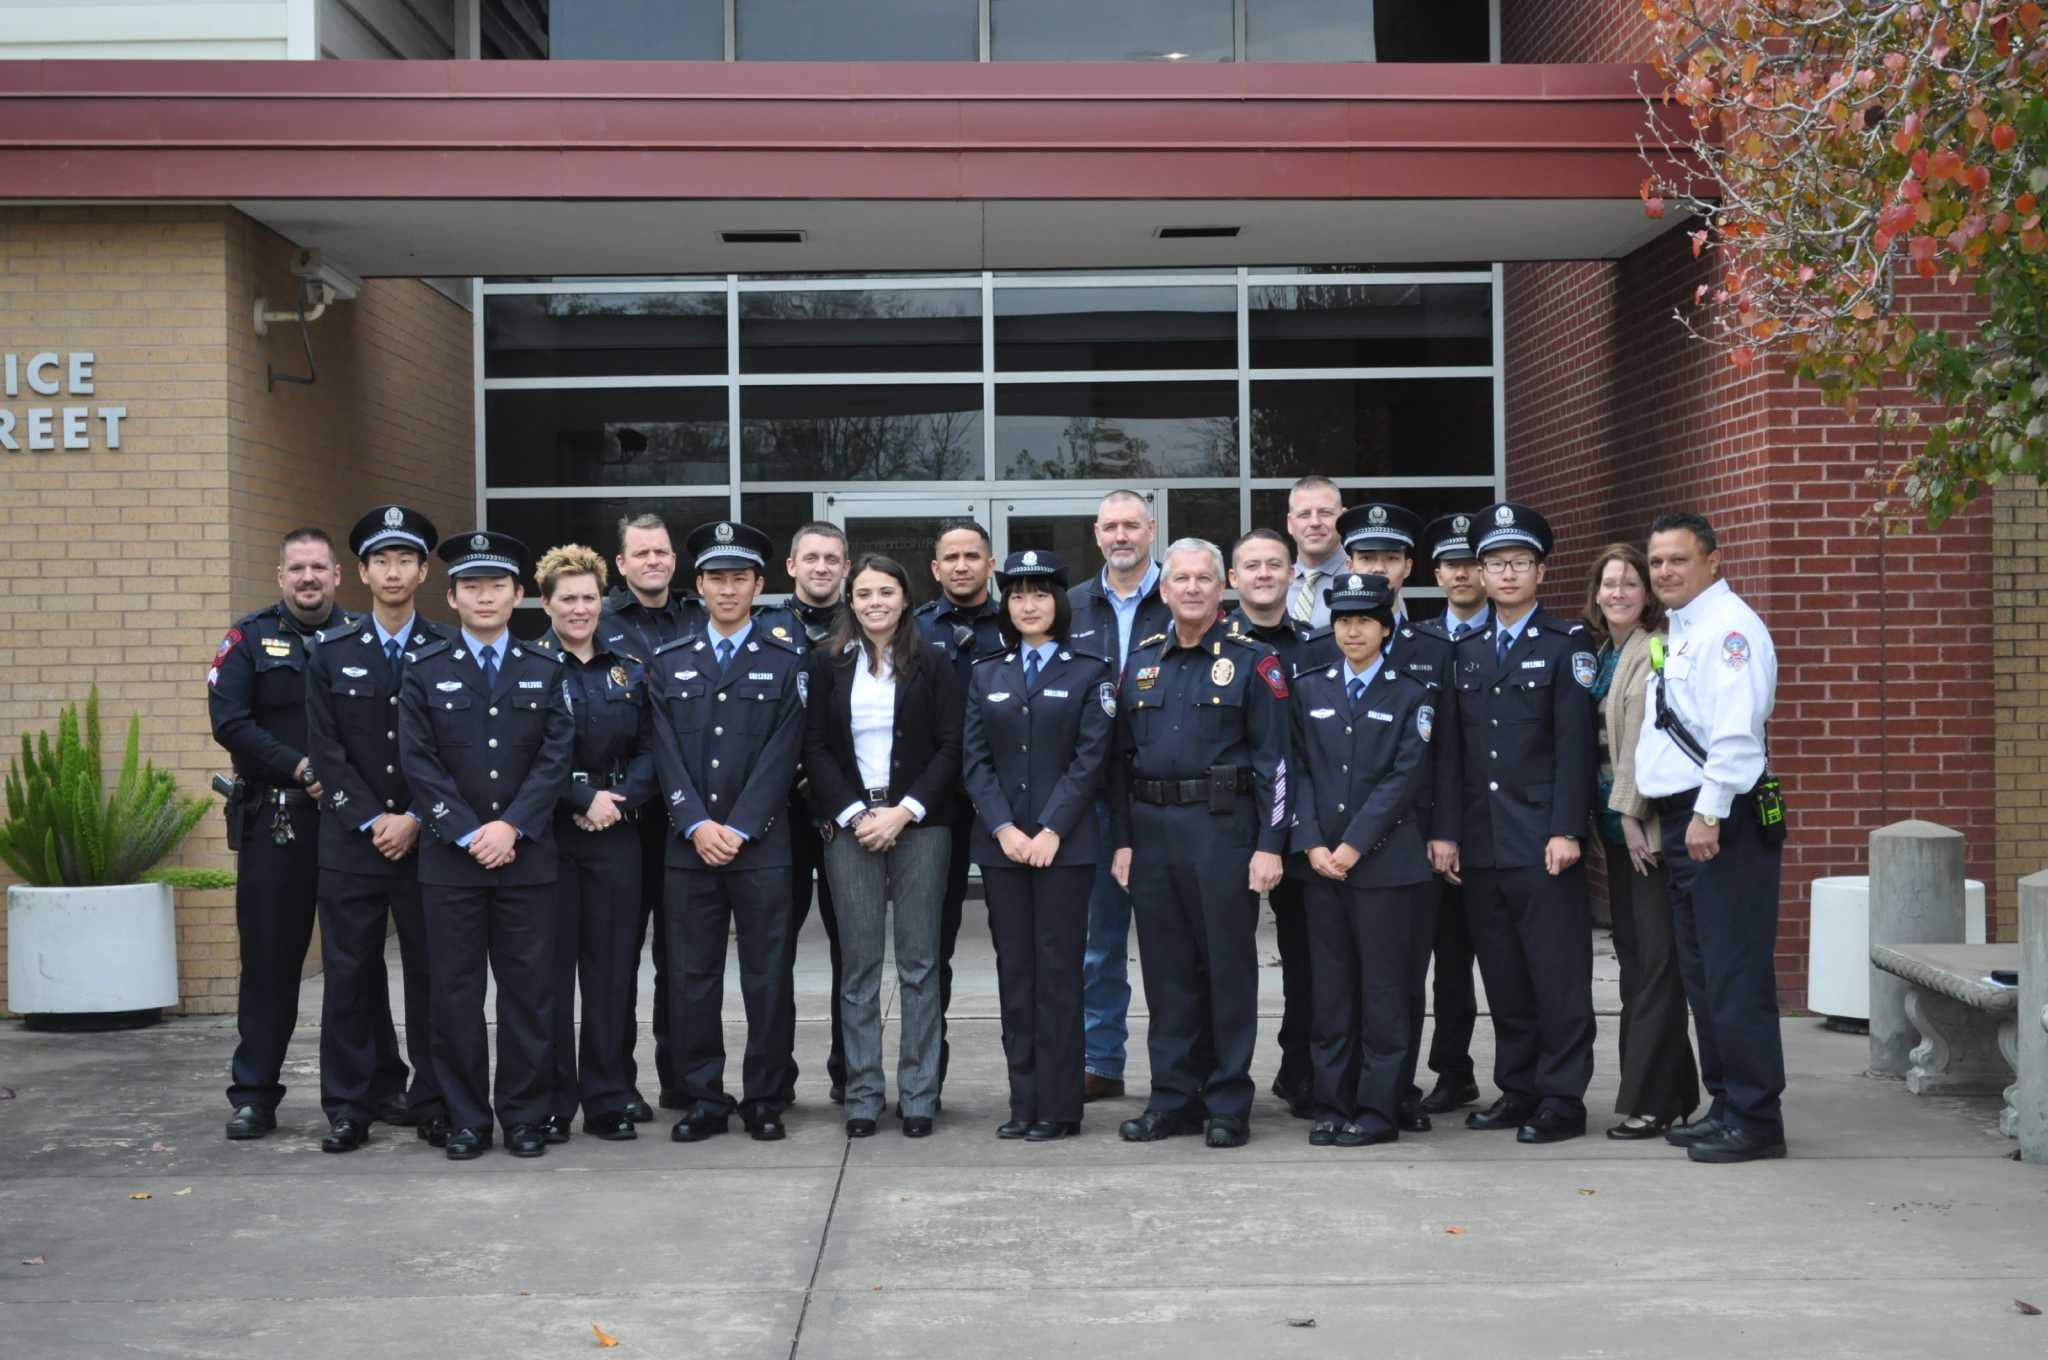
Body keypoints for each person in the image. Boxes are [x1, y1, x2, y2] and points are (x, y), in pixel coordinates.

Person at [210, 528, 400, 1140]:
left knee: (359, 961)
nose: (309, 578)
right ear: (281, 576)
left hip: (349, 823)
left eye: (319, 567)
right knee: (270, 961)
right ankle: (254, 1095)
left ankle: (381, 1086)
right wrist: (301, 768)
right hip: (280, 821)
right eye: (297, 568)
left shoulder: (362, 637)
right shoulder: (248, 639)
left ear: (339, 576)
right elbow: (229, 721)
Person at [398, 530, 574, 1160]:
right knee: (455, 997)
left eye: (496, 585)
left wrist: (512, 826)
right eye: (471, 586)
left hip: (527, 860)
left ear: (517, 594)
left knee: (529, 996)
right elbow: (418, 762)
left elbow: (556, 758)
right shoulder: (424, 669)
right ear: (452, 598)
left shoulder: (544, 668)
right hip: (452, 863)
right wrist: (470, 831)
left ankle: (524, 1116)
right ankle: (466, 1118)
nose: (484, 596)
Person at [1109, 538, 1290, 1149]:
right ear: (1163, 590)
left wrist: (1270, 844)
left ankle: (1227, 1103)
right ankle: (1172, 1100)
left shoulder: (1253, 661)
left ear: (1223, 587)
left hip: (1223, 833)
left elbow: (1276, 762)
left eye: (1203, 579)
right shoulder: (1141, 661)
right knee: (1166, 974)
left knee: (1226, 970)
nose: (1191, 588)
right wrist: (1123, 841)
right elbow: (1119, 762)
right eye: (1180, 579)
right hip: (1152, 834)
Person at [1439, 502, 1598, 1145]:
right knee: (1503, 977)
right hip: (1482, 843)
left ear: (1541, 572)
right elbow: (1451, 754)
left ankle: (1562, 1098)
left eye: (1520, 563)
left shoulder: (1566, 644)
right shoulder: (1466, 650)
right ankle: (1519, 1087)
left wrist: (1567, 829)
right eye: (1497, 563)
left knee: (1556, 977)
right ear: (1480, 572)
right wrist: (1448, 832)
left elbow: (1575, 747)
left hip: (1542, 840)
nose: (1508, 574)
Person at [1633, 512, 1786, 1164]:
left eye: (1679, 559)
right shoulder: (1686, 627)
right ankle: (1726, 1103)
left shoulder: (1730, 629)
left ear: (1713, 561)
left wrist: (1710, 812)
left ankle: (1756, 1118)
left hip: (1721, 820)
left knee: (1734, 972)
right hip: (1687, 817)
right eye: (1657, 561)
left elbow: (1735, 732)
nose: (1664, 571)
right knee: (1704, 974)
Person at [650, 520, 807, 1144]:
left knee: (768, 977)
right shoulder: (670, 662)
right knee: (692, 977)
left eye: (739, 578)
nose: (727, 589)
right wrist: (695, 822)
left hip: (761, 846)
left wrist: (739, 827)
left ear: (759, 586)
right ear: (699, 585)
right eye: (716, 579)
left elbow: (783, 754)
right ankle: (703, 1098)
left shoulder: (785, 662)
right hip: (689, 848)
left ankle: (766, 1096)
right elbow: (663, 751)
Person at [303, 507, 450, 1153]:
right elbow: (326, 748)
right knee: (350, 977)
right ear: (361, 573)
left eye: (405, 560)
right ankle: (349, 1105)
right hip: (351, 841)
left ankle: (435, 1099)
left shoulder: (446, 648)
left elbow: (454, 749)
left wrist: (415, 815)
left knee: (433, 975)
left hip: (429, 841)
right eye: (381, 561)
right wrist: (372, 818)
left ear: (423, 572)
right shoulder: (330, 652)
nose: (393, 572)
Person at [802, 555, 963, 1139]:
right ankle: (863, 1095)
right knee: (859, 967)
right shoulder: (827, 661)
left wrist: (904, 811)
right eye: (865, 593)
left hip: (920, 823)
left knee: (920, 965)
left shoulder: (934, 661)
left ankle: (919, 1094)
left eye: (886, 592)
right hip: (851, 826)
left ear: (906, 598)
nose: (875, 602)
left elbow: (952, 746)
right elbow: (814, 747)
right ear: (851, 600)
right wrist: (854, 813)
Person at [961, 550, 1114, 1141]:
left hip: (1064, 850)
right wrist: (1004, 828)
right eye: (1018, 594)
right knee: (1015, 975)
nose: (1028, 604)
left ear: (1060, 603)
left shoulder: (1090, 671)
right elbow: (975, 761)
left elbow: (1091, 760)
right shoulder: (986, 672)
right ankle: (1023, 1102)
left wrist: (1051, 829)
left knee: (1058, 975)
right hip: (1003, 849)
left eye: (1041, 593)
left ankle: (1059, 1107)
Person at [1287, 572, 1435, 1147]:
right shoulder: (1309, 689)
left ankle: (1378, 1109)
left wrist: (1352, 847)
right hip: (1321, 866)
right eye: (1344, 621)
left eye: (1364, 621)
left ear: (1385, 628)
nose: (1353, 631)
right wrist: (1311, 843)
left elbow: (1404, 779)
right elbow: (1296, 771)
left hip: (1384, 867)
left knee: (1384, 994)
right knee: (1331, 992)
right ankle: (1332, 1104)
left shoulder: (1410, 693)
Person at [1337, 500, 1458, 1135]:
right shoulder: (1328, 642)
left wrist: (1444, 830)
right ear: (1348, 564)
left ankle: (1397, 1089)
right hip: (1338, 844)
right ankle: (1350, 1090)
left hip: (1412, 839)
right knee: (1344, 979)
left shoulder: (1434, 647)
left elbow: (1448, 752)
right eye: (1365, 558)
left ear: (1409, 566)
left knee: (1403, 977)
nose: (1377, 568)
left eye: (1389, 558)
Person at [531, 544, 657, 1145]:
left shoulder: (628, 667)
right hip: (549, 836)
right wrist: (581, 799)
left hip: (616, 834)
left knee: (611, 973)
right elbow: (522, 755)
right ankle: (554, 1102)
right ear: (546, 603)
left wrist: (618, 802)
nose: (579, 609)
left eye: (589, 598)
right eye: (568, 599)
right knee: (550, 976)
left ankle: (609, 1098)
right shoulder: (529, 666)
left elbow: (654, 749)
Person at [1584, 541, 1699, 1140]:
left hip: (1645, 835)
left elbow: (1646, 739)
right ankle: (1675, 1091)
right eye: (1610, 583)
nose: (1619, 593)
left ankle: (1652, 1101)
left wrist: (1630, 816)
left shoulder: (1655, 648)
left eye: (1630, 582)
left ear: (1646, 593)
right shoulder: (1604, 653)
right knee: (1636, 962)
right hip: (1613, 836)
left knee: (1654, 967)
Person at [1225, 526, 1336, 1119]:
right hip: (1230, 825)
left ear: (1293, 575)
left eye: (1275, 564)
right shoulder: (1215, 647)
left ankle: (1303, 1073)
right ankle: (1219, 1080)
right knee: (1223, 958)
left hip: (1303, 828)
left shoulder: (1317, 647)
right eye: (1252, 565)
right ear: (1233, 579)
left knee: (1308, 958)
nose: (1264, 574)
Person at [602, 512, 705, 1121]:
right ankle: (617, 1084)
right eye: (640, 553)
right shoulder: (598, 622)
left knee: (681, 958)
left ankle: (681, 1080)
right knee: (616, 960)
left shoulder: (698, 617)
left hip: (684, 820)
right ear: (621, 563)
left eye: (661, 552)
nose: (653, 562)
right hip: (619, 821)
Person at [1069, 489, 1171, 1102]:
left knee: (1173, 944)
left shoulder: (1182, 595)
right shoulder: (1072, 605)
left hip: (1167, 795)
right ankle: (1100, 1062)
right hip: (1095, 799)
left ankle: (1180, 1069)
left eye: (1132, 524)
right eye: (1110, 526)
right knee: (1098, 943)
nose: (1121, 536)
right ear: (1096, 533)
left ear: (1151, 529)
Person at [912, 518, 1006, 1100]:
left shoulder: (1018, 620)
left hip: (1006, 806)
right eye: (951, 557)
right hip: (937, 806)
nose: (962, 565)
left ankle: (1032, 1078)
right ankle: (928, 1078)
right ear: (936, 568)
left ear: (991, 564)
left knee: (1016, 944)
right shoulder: (915, 628)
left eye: (973, 555)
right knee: (932, 945)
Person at [758, 521, 851, 1104]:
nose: (821, 567)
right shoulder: (762, 627)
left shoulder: (865, 624)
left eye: (832, 559)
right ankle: (775, 1079)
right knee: (774, 951)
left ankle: (850, 1072)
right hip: (778, 813)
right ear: (791, 566)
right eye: (811, 558)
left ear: (846, 567)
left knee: (853, 949)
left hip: (843, 810)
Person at [1415, 511, 1492, 1117]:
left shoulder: (1511, 634)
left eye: (1471, 563)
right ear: (1436, 573)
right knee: (1442, 961)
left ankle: (1519, 1077)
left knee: (1497, 959)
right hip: (1428, 828)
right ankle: (1452, 1069)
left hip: (1493, 825)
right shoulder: (1417, 641)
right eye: (1450, 564)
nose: (1461, 573)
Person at [1283, 474, 1346, 630]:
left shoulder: (1364, 579)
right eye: (1304, 514)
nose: (1315, 522)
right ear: (1290, 524)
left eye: (1325, 513)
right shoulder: (1275, 583)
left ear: (1344, 518)